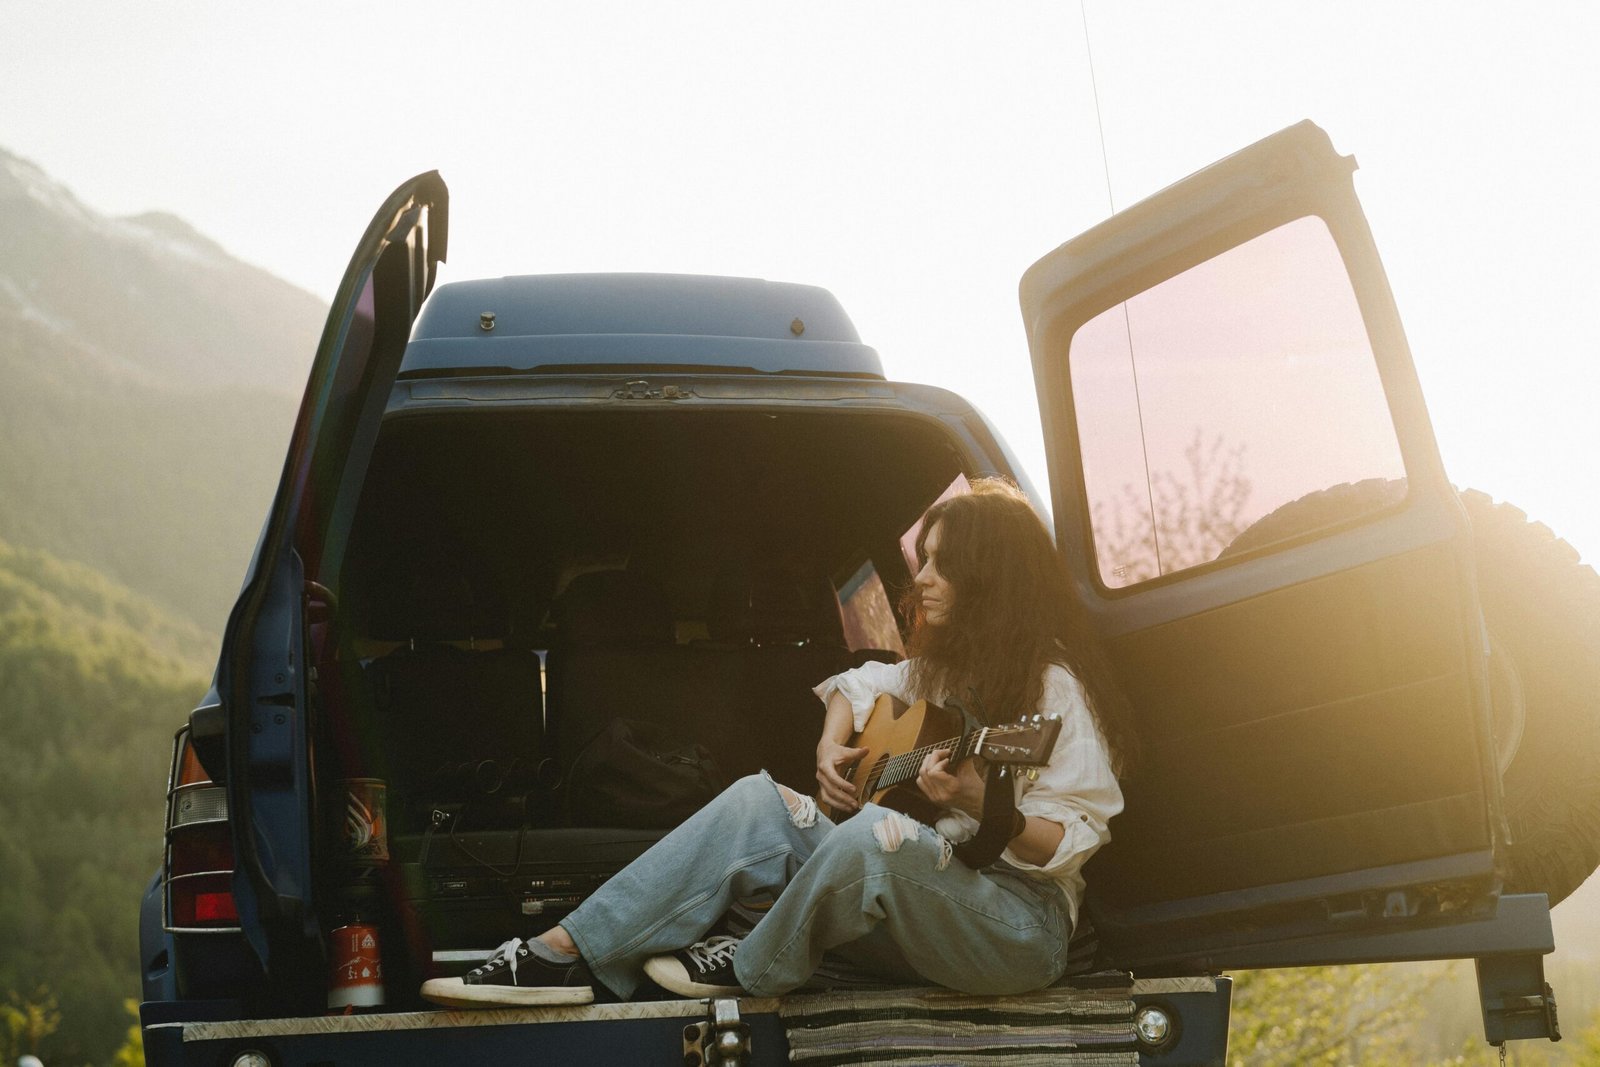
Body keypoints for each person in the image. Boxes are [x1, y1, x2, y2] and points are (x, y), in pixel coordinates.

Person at [420, 478, 1134, 1008]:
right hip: (939, 896)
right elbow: (859, 681)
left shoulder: (1051, 689)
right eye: (925, 560)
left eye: (940, 564)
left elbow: (1079, 835)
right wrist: (831, 747)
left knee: (873, 837)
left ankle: (750, 963)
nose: (921, 579)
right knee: (758, 802)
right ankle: (561, 954)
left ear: (989, 579)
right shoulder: (949, 672)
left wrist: (988, 805)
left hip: (1017, 927)